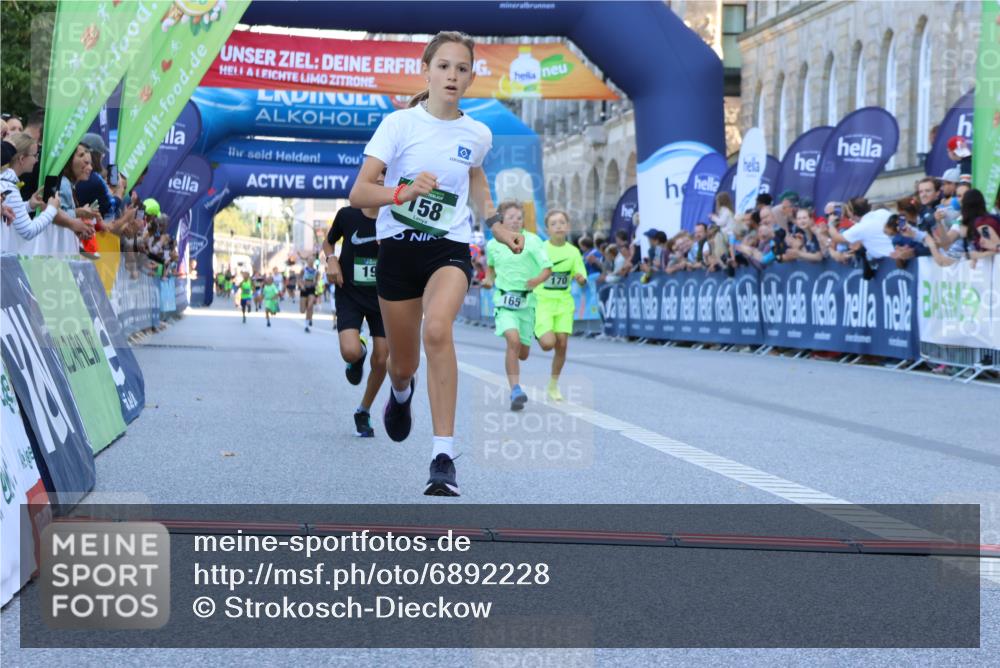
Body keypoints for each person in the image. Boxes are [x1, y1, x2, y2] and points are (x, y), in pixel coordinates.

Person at [349, 30, 522, 496]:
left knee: (438, 329)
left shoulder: (477, 133)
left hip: (448, 247)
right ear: (427, 70)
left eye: (462, 68)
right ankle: (400, 393)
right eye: (444, 66)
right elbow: (360, 193)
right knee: (402, 364)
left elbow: (475, 176)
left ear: (471, 77)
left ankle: (442, 455)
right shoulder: (399, 126)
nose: (453, 75)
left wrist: (493, 222)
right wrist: (401, 193)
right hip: (397, 252)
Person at [324, 181, 390, 438]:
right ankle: (359, 354)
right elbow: (328, 243)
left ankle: (363, 410)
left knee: (383, 358)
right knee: (350, 352)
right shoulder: (347, 215)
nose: (381, 180)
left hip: (384, 297)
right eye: (376, 176)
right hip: (349, 292)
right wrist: (331, 261)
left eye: (386, 175)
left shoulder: (395, 218)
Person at [481, 201, 551, 410]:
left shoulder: (533, 241)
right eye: (511, 217)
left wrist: (536, 281)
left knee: (523, 353)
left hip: (526, 303)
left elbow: (547, 268)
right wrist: (488, 279)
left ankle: (529, 338)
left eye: (519, 217)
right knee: (512, 340)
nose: (516, 221)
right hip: (504, 301)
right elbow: (491, 269)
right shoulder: (493, 244)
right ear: (501, 219)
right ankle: (515, 390)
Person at [533, 209, 586, 402]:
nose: (559, 226)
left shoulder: (573, 252)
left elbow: (581, 274)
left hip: (563, 302)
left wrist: (580, 278)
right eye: (554, 223)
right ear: (547, 229)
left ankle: (553, 385)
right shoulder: (541, 249)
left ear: (568, 226)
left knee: (562, 343)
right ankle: (535, 328)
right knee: (548, 344)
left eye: (562, 222)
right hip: (543, 301)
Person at [0, 133, 66, 253]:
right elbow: (28, 231)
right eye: (35, 155)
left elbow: (13, 214)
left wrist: (29, 205)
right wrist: (51, 209)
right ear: (22, 159)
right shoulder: (9, 188)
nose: (36, 160)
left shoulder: (5, 182)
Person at [299, 253, 318, 332]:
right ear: (307, 261)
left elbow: (317, 281)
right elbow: (299, 279)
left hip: (311, 289)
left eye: (312, 259)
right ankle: (309, 316)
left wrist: (315, 283)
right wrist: (301, 285)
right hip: (304, 289)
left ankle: (307, 325)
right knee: (302, 310)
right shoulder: (303, 270)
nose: (311, 261)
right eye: (309, 259)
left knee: (310, 306)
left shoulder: (316, 271)